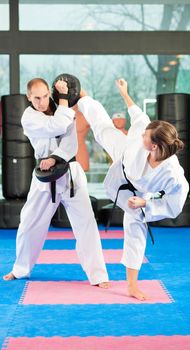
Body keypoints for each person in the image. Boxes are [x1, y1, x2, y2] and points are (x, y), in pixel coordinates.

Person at [77, 78, 189, 300]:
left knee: (136, 236)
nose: (141, 135)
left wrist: (147, 202)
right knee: (102, 129)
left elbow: (175, 204)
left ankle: (132, 286)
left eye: (145, 136)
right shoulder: (139, 140)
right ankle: (82, 97)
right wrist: (124, 93)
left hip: (138, 197)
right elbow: (138, 115)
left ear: (154, 145)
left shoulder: (172, 174)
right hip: (123, 156)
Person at [3, 77, 109, 288]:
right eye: (36, 98)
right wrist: (62, 100)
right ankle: (20, 269)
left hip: (71, 174)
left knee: (86, 224)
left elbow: (70, 142)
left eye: (44, 96)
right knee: (29, 223)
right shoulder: (29, 117)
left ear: (49, 94)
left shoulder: (64, 108)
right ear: (29, 97)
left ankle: (99, 276)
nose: (41, 101)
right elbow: (55, 126)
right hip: (44, 178)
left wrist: (57, 157)